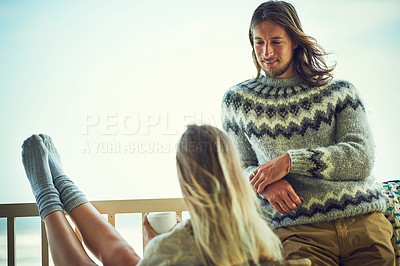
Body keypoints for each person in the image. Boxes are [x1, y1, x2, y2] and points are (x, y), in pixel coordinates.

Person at [221, 1, 395, 265]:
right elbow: (238, 168)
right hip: (299, 232)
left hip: (365, 225)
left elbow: (360, 158)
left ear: (294, 41)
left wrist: (290, 162)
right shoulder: (238, 101)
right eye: (259, 42)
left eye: (276, 41)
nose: (266, 52)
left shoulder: (340, 92)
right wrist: (264, 183)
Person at [22, 125, 308, 265]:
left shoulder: (169, 251)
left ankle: (47, 191)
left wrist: (153, 251)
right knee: (125, 258)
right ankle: (63, 186)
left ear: (185, 181)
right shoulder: (264, 241)